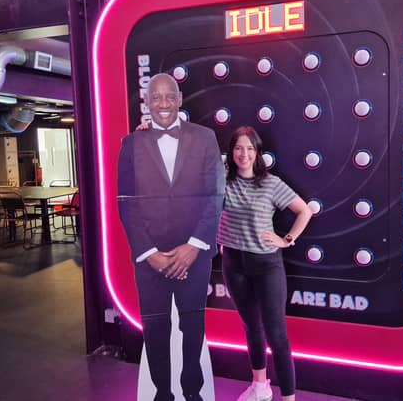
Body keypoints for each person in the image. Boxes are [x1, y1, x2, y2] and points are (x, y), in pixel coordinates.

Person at [117, 73, 225, 401]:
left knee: (192, 329)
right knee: (156, 330)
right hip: (150, 259)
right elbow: (126, 202)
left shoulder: (205, 137)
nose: (163, 104)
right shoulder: (130, 144)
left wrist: (193, 247)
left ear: (179, 100)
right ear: (146, 103)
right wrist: (149, 253)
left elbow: (215, 195)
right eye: (156, 98)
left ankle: (192, 393)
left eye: (169, 97)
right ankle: (162, 394)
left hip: (194, 255)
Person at [218, 126, 312, 401]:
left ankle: (288, 398)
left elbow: (304, 210)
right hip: (234, 264)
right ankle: (260, 387)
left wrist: (287, 239)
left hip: (266, 265)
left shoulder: (270, 183)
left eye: (249, 148)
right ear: (231, 152)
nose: (243, 154)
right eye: (238, 148)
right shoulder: (222, 178)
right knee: (251, 328)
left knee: (276, 335)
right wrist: (150, 133)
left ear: (257, 152)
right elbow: (191, 156)